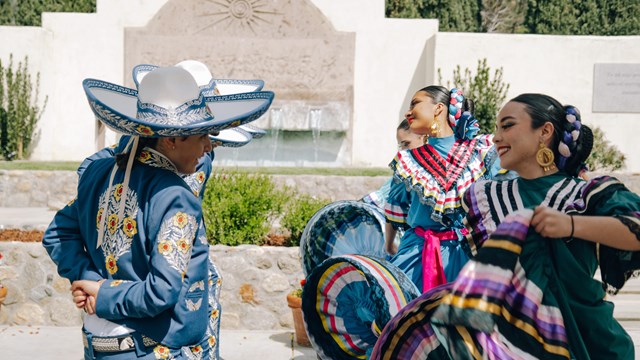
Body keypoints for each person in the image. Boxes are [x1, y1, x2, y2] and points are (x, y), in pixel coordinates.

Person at [371, 93, 640, 359]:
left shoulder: (583, 193)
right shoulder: (484, 197)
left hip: (585, 337)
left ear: (544, 132)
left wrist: (570, 225)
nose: (497, 137)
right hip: (511, 344)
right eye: (497, 128)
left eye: (508, 125)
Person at [42, 66, 274, 359]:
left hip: (98, 345)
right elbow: (161, 292)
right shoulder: (176, 196)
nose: (208, 146)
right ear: (171, 139)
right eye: (201, 134)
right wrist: (102, 294)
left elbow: (58, 233)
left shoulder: (97, 172)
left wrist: (89, 279)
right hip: (149, 347)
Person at [384, 86, 504, 293]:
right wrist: (389, 247)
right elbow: (395, 208)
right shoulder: (407, 162)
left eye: (415, 104)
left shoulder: (480, 152)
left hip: (466, 251)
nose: (408, 112)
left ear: (439, 108)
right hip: (417, 254)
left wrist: (389, 246)